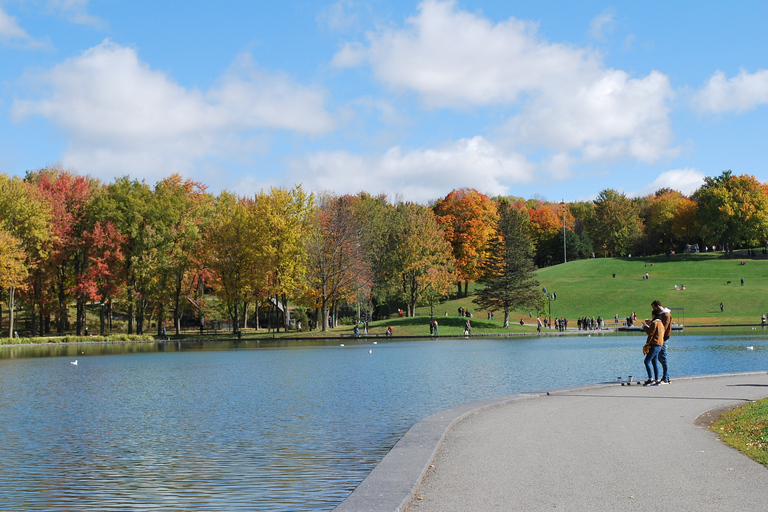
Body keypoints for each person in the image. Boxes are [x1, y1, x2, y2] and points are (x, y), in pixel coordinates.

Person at [641, 310, 665, 386]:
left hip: (654, 344)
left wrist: (645, 327)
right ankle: (657, 379)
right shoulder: (661, 323)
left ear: (654, 315)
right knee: (654, 362)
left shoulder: (655, 323)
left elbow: (650, 333)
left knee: (647, 361)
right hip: (660, 345)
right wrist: (650, 324)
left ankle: (650, 379)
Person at [652, 300, 672, 384]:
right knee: (660, 357)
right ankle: (665, 376)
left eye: (654, 308)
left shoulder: (666, 315)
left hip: (664, 338)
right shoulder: (663, 314)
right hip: (661, 337)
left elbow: (664, 327)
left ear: (658, 306)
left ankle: (666, 377)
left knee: (662, 356)